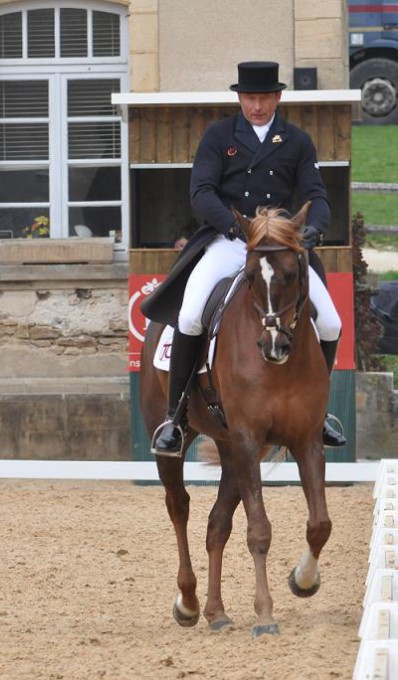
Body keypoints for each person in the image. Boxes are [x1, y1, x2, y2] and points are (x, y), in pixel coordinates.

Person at [140, 61, 345, 456]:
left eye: (264, 98)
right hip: (231, 240)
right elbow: (201, 191)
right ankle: (174, 415)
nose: (257, 105)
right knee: (189, 315)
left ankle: (319, 413)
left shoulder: (297, 141)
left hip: (280, 247)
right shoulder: (219, 137)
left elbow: (316, 194)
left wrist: (314, 227)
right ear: (240, 98)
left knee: (332, 323)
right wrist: (234, 226)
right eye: (251, 98)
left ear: (277, 98)